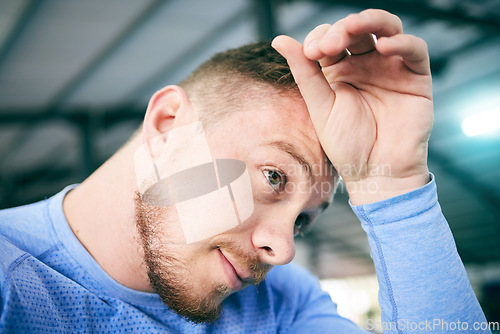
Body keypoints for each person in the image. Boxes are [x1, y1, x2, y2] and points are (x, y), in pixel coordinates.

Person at [0, 9, 491, 333]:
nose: (283, 249)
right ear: (169, 124)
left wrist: (393, 185)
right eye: (275, 176)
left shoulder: (284, 307)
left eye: (303, 220)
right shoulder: (11, 284)